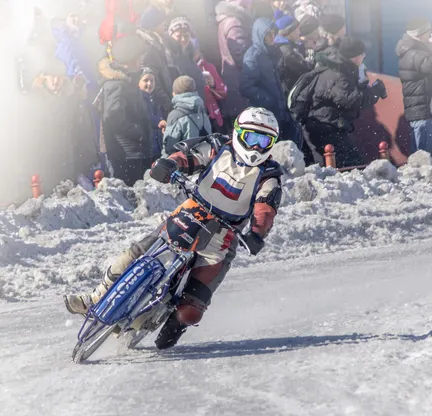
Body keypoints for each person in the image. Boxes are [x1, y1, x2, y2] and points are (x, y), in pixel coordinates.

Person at [64, 107, 284, 350]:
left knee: (192, 309)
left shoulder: (269, 174)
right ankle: (94, 299)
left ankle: (175, 322)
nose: (255, 147)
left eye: (263, 141)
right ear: (238, 133)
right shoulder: (218, 147)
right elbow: (188, 157)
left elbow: (265, 207)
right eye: (251, 138)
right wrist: (169, 164)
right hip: (193, 210)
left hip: (225, 234)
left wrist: (256, 232)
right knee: (135, 254)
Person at [298, 36, 386, 168]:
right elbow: (351, 100)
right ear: (355, 56)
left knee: (344, 167)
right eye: (362, 54)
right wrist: (374, 92)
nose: (364, 57)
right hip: (325, 127)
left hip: (325, 124)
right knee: (351, 166)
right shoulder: (339, 73)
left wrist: (364, 87)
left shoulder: (339, 67)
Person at [98, 34, 153, 185]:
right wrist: (137, 132)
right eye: (139, 57)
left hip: (134, 151)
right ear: (131, 60)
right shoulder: (117, 84)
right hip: (127, 153)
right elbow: (113, 117)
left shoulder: (126, 81)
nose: (142, 60)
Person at [395, 18, 432, 157]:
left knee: (420, 155)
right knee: (425, 157)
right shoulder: (415, 54)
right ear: (419, 35)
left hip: (421, 110)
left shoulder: (412, 51)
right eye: (428, 33)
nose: (430, 36)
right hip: (423, 110)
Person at [240, 17, 300, 144]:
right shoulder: (253, 55)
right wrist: (268, 100)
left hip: (281, 109)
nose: (272, 37)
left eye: (274, 33)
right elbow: (246, 87)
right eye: (268, 34)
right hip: (265, 114)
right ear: (260, 35)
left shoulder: (274, 52)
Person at [216, 0, 254, 130]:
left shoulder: (225, 20)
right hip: (240, 84)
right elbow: (241, 54)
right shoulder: (235, 23)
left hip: (232, 82)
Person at [163, 75, 212, 155]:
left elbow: (170, 148)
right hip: (204, 157)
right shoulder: (201, 108)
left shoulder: (175, 115)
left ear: (174, 93)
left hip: (186, 161)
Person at [164, 17, 207, 101]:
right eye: (179, 36)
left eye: (186, 36)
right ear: (171, 35)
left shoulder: (189, 52)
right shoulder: (168, 56)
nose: (183, 39)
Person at [274, 15, 311, 94]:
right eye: (297, 30)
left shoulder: (287, 44)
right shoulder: (286, 51)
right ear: (290, 32)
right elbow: (305, 68)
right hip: (290, 90)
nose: (299, 32)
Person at [139, 68, 167, 161]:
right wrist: (159, 121)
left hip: (157, 146)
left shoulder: (156, 98)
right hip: (146, 148)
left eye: (152, 80)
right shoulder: (137, 100)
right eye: (145, 80)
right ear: (138, 82)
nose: (149, 83)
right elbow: (143, 117)